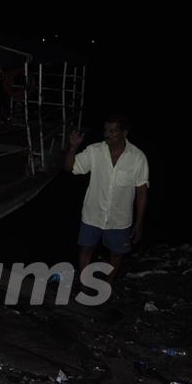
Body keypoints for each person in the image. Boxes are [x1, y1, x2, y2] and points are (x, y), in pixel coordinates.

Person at [65, 115, 149, 285]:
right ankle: (84, 286)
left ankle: (108, 285)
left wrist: (139, 224)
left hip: (119, 219)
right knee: (85, 250)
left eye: (113, 131)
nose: (107, 134)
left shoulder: (138, 158)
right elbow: (69, 168)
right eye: (105, 130)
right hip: (92, 214)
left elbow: (142, 193)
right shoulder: (95, 151)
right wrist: (73, 147)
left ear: (124, 133)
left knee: (117, 253)